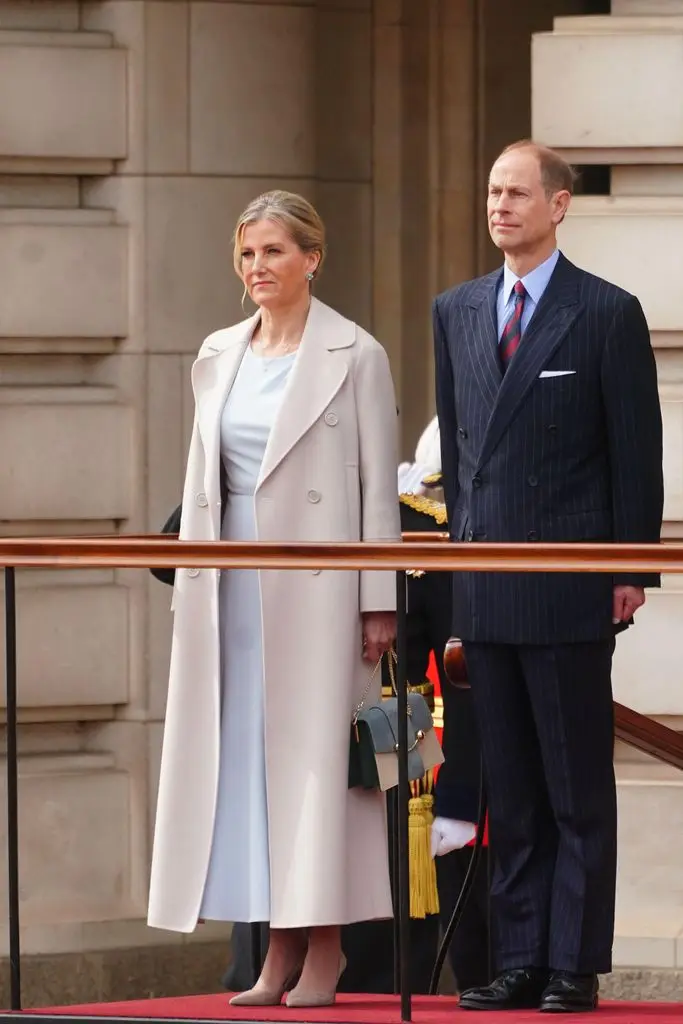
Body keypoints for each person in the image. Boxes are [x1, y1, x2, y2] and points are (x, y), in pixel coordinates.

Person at [147, 190, 401, 1009]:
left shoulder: (355, 352)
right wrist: (191, 579)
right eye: (247, 254)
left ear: (312, 258)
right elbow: (204, 482)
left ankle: (326, 949)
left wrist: (377, 600)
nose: (258, 267)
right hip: (232, 591)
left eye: (274, 252)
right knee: (251, 771)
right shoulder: (218, 350)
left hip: (321, 595)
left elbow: (375, 494)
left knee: (320, 772)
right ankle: (276, 950)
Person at [433, 140, 663, 1013]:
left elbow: (634, 452)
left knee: (574, 790)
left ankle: (574, 962)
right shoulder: (454, 310)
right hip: (488, 576)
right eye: (492, 191)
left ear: (558, 205)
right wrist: (461, 566)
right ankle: (519, 957)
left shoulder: (605, 311)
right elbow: (460, 460)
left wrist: (628, 566)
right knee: (512, 790)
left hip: (569, 578)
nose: (500, 206)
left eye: (517, 193)